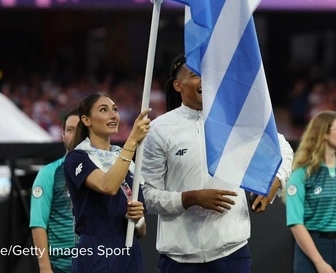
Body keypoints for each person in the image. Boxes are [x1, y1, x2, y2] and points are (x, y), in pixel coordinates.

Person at [142, 54, 294, 273]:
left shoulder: (236, 119)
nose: (204, 79)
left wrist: (276, 181)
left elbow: (282, 149)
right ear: (178, 85)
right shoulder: (159, 130)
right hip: (178, 259)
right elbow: (149, 196)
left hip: (231, 254)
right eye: (195, 75)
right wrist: (189, 198)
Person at [64, 94, 151, 273]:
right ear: (86, 120)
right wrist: (132, 141)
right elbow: (107, 186)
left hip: (130, 252)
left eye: (115, 110)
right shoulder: (77, 157)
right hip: (98, 252)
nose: (113, 115)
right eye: (104, 110)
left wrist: (138, 219)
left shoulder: (127, 162)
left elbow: (141, 231)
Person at [285, 111, 336, 273]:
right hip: (311, 251)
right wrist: (319, 263)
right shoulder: (300, 175)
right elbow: (295, 222)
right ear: (324, 134)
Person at [31, 111, 80, 273]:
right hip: (61, 267)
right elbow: (38, 223)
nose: (75, 135)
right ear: (63, 135)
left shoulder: (102, 172)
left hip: (96, 263)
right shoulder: (49, 173)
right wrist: (44, 267)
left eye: (80, 129)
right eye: (70, 129)